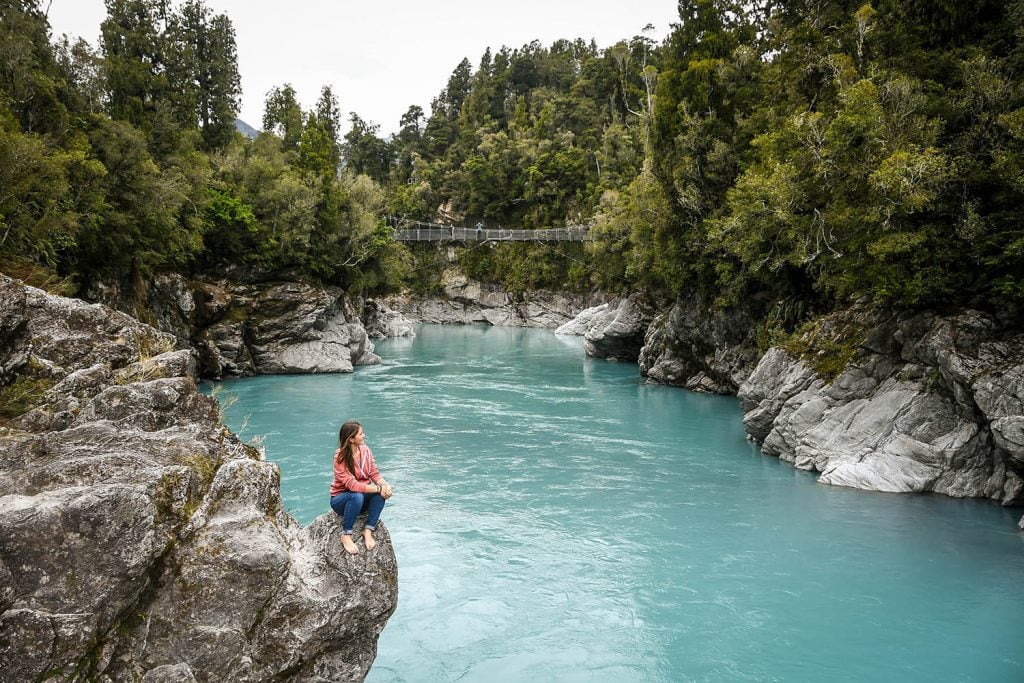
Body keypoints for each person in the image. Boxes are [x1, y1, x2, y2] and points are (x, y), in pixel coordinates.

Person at [329, 421, 393, 555]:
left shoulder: (366, 450)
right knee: (357, 495)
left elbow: (374, 473)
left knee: (379, 495)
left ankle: (368, 530)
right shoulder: (339, 457)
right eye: (360, 434)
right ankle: (346, 535)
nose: (364, 435)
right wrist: (378, 489)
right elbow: (353, 486)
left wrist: (385, 486)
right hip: (341, 500)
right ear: (351, 439)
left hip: (361, 498)